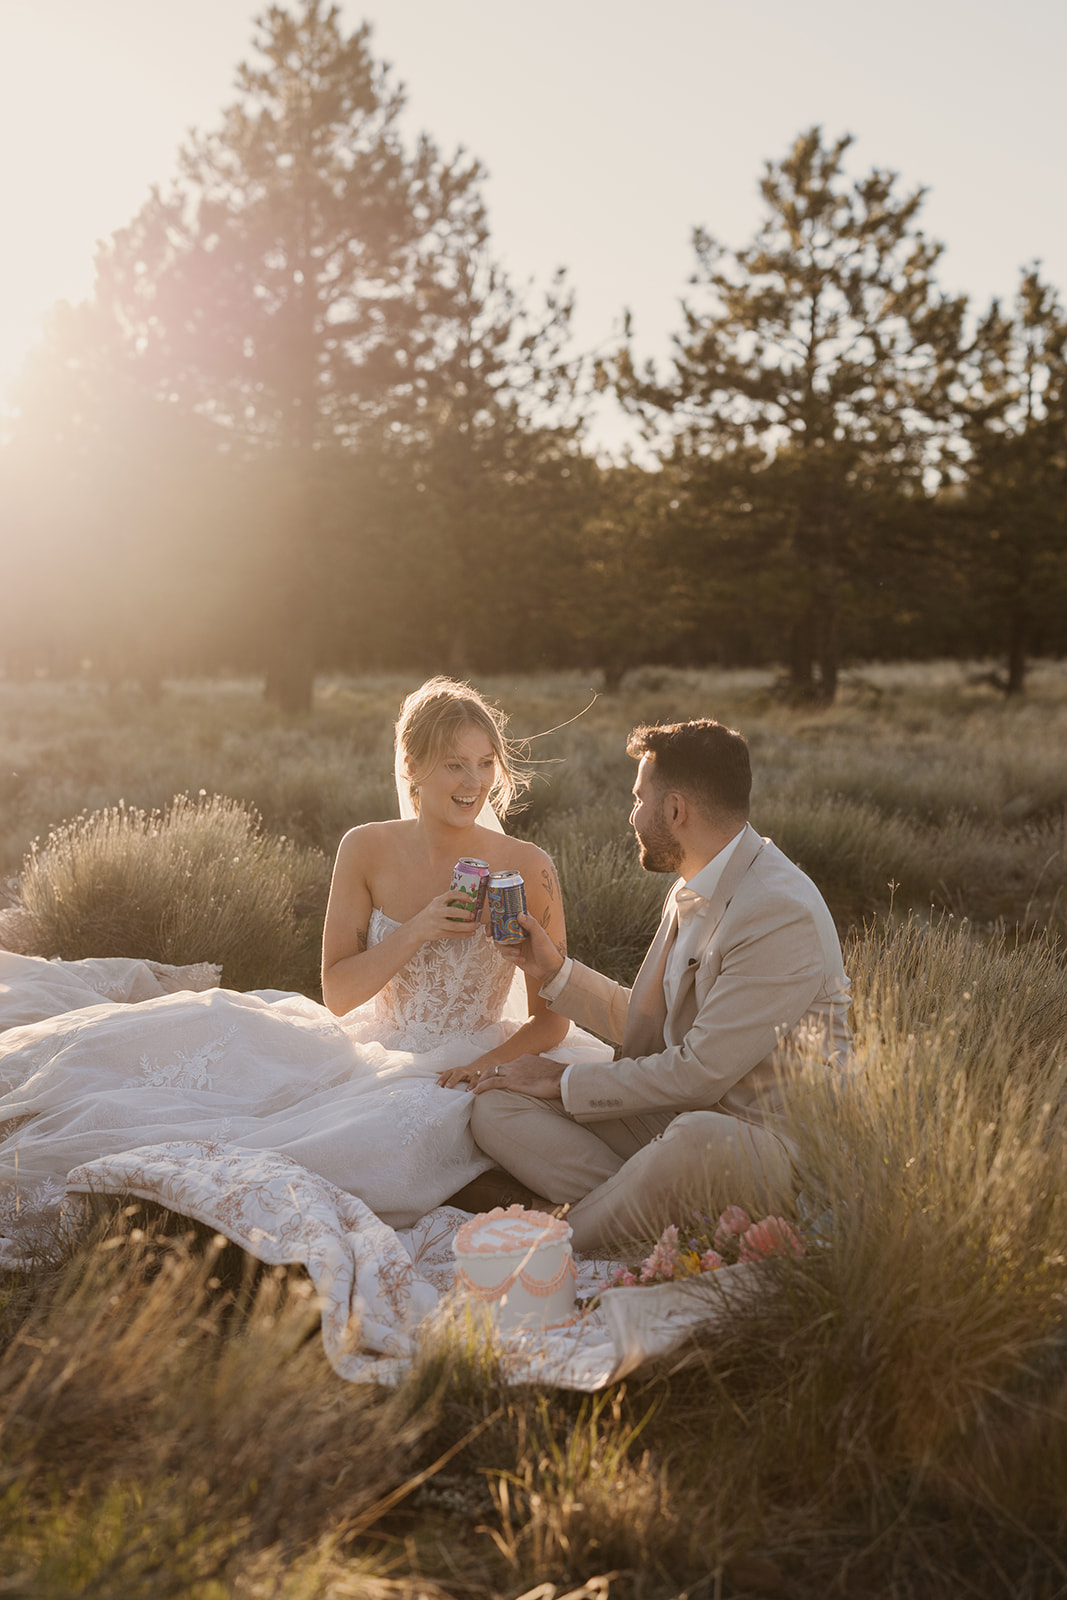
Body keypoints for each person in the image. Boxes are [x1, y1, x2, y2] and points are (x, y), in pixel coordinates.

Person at [0, 678, 610, 1256]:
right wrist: (422, 927)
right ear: (413, 768)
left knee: (357, 1148)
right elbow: (340, 994)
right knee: (201, 1051)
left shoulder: (527, 865)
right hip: (378, 1046)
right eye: (454, 763)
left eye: (484, 764)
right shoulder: (365, 848)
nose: (472, 781)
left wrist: (480, 1070)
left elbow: (550, 1023)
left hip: (479, 1055)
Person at [468, 718, 853, 1253]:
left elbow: (698, 1073)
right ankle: (653, 1212)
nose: (632, 816)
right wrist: (554, 972)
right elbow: (656, 1025)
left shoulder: (777, 911)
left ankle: (554, 1244)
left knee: (689, 1145)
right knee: (497, 1106)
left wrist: (560, 1078)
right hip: (681, 1115)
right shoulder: (692, 884)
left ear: (675, 810)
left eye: (637, 799)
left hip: (762, 1145)